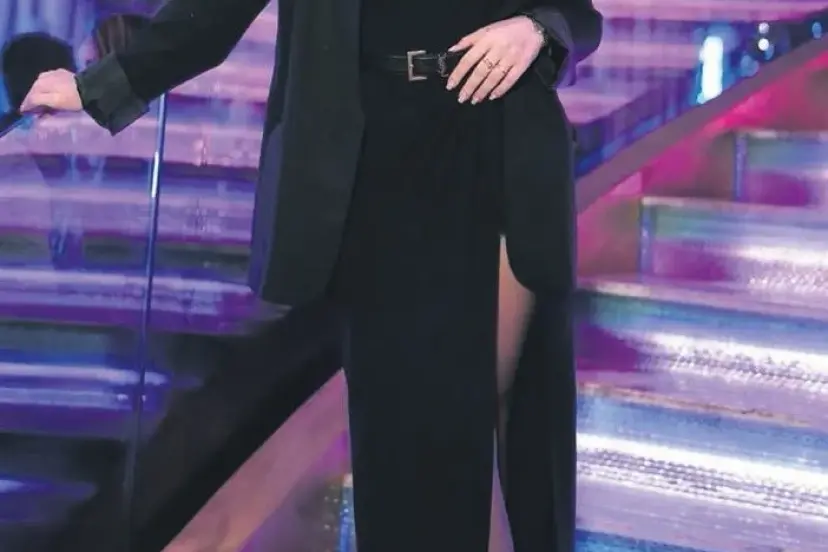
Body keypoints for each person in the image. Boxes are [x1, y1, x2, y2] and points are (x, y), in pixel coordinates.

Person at [20, 0, 602, 550]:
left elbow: (576, 16)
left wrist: (536, 30)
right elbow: (214, 13)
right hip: (376, 169)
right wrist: (100, 87)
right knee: (414, 443)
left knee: (499, 432)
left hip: (502, 141)